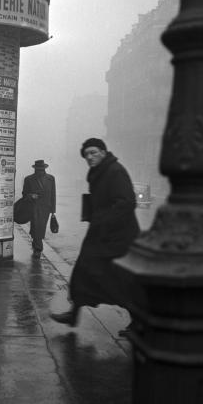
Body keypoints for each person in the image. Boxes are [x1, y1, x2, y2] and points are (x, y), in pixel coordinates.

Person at [50, 138, 139, 327]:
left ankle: (139, 320)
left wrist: (103, 220)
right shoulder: (99, 172)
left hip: (118, 237)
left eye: (93, 152)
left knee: (119, 280)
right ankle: (74, 313)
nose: (89, 157)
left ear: (103, 153)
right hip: (102, 234)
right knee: (84, 271)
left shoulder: (115, 171)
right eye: (86, 154)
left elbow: (127, 202)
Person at [22, 159, 56, 259]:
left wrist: (53, 211)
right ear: (35, 169)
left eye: (42, 169)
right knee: (36, 227)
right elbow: (24, 194)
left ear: (45, 168)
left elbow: (53, 195)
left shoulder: (51, 179)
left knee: (40, 227)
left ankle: (36, 245)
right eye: (38, 169)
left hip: (46, 208)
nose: (40, 171)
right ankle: (38, 249)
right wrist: (31, 195)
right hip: (33, 207)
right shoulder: (28, 179)